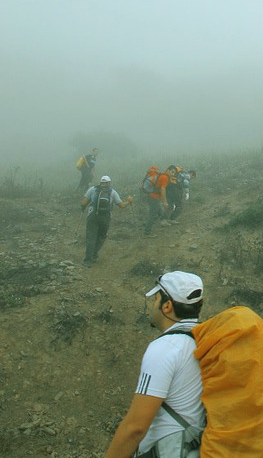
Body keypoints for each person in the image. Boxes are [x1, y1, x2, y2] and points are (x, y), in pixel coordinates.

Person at [104, 271, 205, 458]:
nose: (153, 305)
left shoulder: (165, 348)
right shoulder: (205, 340)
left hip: (168, 450)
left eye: (156, 298)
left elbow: (135, 428)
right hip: (195, 448)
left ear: (166, 306)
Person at [80, 175, 133, 267]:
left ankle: (87, 261)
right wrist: (129, 201)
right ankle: (94, 255)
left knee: (90, 238)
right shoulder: (112, 192)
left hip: (92, 216)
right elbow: (122, 206)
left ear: (100, 182)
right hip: (105, 218)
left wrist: (83, 208)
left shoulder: (92, 189)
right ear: (109, 183)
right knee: (101, 237)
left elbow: (83, 203)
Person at [145, 167, 171, 236]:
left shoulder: (161, 175)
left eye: (174, 172)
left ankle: (153, 223)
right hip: (153, 197)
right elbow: (163, 189)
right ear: (168, 170)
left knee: (160, 212)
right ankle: (147, 232)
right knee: (153, 214)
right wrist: (165, 202)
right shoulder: (165, 177)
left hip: (152, 196)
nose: (173, 174)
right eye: (172, 171)